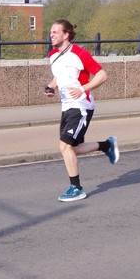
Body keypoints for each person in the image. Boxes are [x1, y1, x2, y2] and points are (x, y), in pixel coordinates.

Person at [44, 19, 119, 202]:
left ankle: (76, 188)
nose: (51, 35)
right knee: (72, 149)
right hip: (66, 106)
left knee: (65, 146)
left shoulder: (80, 54)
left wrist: (83, 89)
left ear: (66, 35)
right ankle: (107, 145)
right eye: (51, 32)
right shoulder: (53, 55)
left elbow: (102, 75)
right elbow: (59, 75)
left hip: (81, 105)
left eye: (55, 32)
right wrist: (51, 86)